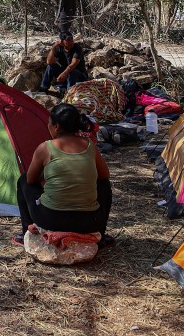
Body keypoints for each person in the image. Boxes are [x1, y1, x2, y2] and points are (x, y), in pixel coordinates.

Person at [14, 103, 113, 247]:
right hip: (89, 222)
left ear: (56, 127)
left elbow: (30, 179)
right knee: (104, 184)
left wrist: (47, 172)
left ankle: (26, 233)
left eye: (49, 123)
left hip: (50, 220)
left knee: (23, 180)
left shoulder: (45, 148)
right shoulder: (89, 145)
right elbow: (104, 175)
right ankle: (101, 235)